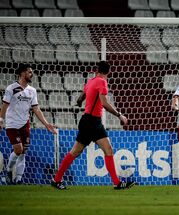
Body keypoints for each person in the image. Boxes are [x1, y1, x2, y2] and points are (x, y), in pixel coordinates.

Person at [51, 61, 135, 190]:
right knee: (76, 151)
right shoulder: (102, 82)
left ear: (98, 70)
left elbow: (80, 98)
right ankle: (56, 180)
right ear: (109, 72)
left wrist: (80, 103)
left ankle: (117, 183)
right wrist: (119, 115)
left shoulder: (91, 81)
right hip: (91, 122)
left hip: (93, 122)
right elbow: (105, 103)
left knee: (108, 149)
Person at [0, 63, 57, 185]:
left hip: (24, 123)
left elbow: (36, 109)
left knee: (24, 151)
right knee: (18, 149)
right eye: (29, 72)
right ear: (22, 73)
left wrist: (47, 124)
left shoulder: (32, 91)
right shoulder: (11, 88)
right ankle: (9, 170)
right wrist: (1, 120)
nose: (32, 74)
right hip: (12, 123)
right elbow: (4, 105)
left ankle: (19, 179)